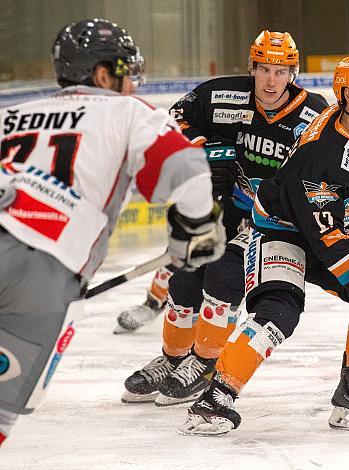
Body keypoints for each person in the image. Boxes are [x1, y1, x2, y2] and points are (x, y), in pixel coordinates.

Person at [0, 18, 221, 447]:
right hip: (43, 269)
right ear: (102, 74)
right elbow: (188, 172)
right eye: (125, 72)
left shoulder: (12, 114)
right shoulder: (128, 112)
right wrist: (196, 231)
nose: (132, 84)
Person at [178, 54, 349, 436]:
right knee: (279, 311)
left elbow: (341, 185)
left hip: (318, 222)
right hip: (279, 228)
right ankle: (216, 397)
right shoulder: (321, 150)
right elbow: (322, 234)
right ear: (348, 94)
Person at [121, 30, 329, 405]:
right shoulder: (224, 94)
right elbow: (179, 117)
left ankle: (204, 363)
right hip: (233, 207)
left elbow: (330, 170)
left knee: (222, 276)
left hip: (277, 223)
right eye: (264, 69)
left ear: (293, 74)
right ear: (252, 68)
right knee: (184, 277)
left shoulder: (315, 114)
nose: (271, 80)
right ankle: (173, 359)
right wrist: (202, 151)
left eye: (280, 71)